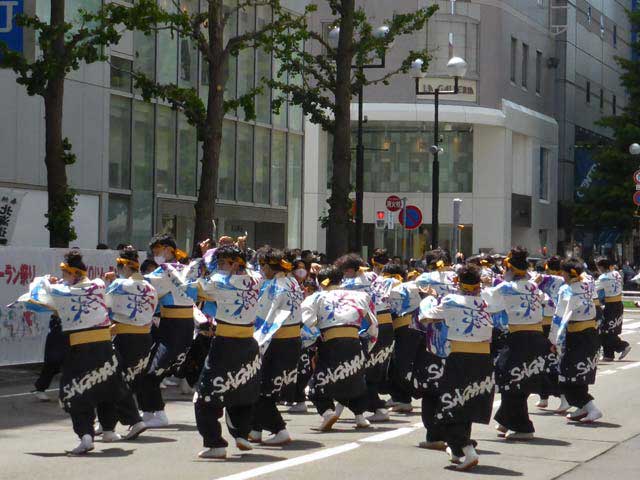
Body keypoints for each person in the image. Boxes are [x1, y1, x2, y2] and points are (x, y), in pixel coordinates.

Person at [13, 250, 132, 455]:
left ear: (74, 274)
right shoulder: (98, 285)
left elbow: (37, 293)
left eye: (66, 273)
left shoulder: (61, 292)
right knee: (105, 385)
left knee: (74, 390)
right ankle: (108, 429)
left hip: (80, 349)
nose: (63, 277)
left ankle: (86, 435)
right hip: (104, 346)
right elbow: (105, 286)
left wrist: (46, 281)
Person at [418, 264, 494, 471]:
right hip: (484, 358)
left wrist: (428, 298)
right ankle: (457, 450)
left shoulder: (451, 300)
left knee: (451, 403)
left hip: (460, 357)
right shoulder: (487, 300)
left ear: (458, 284)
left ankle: (467, 449)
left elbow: (425, 317)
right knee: (467, 403)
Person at [194, 245, 263, 459]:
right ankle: (241, 434)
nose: (220, 266)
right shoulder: (256, 278)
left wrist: (204, 258)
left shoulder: (221, 282)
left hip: (225, 343)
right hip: (249, 343)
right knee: (241, 390)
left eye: (223, 262)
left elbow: (197, 288)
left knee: (205, 395)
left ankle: (215, 443)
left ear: (234, 264)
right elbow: (250, 267)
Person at [484, 247, 550, 440]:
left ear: (510, 270)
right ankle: (506, 420)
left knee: (509, 378)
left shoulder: (506, 288)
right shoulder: (533, 286)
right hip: (537, 337)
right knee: (519, 379)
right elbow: (548, 302)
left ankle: (523, 427)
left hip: (519, 338)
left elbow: (487, 305)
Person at [301, 266, 377, 431]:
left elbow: (308, 323)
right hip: (354, 341)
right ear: (341, 280)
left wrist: (312, 345)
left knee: (319, 381)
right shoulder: (360, 296)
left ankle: (328, 412)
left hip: (330, 342)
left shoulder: (315, 297)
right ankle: (360, 416)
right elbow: (372, 323)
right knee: (353, 377)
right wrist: (368, 344)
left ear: (320, 282)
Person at [140, 234, 199, 428]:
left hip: (177, 327)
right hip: (170, 325)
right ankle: (149, 411)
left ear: (168, 250)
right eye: (154, 252)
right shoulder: (184, 269)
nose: (156, 255)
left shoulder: (167, 270)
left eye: (158, 251)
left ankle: (158, 414)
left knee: (152, 374)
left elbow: (144, 286)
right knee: (145, 370)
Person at [102, 246, 159, 441]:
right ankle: (106, 424)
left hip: (125, 337)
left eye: (119, 266)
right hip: (145, 338)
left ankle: (133, 420)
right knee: (127, 381)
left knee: (115, 380)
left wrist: (109, 283)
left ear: (125, 266)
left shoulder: (119, 285)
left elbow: (105, 304)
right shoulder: (150, 287)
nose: (117, 270)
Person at [249, 247, 304, 446]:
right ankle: (255, 430)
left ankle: (279, 429)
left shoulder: (275, 286)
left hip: (276, 341)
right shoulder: (292, 282)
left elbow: (263, 317)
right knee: (267, 387)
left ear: (267, 265)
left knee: (261, 389)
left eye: (262, 265)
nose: (261, 270)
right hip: (291, 340)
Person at [337, 253, 392, 422]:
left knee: (360, 371)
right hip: (386, 326)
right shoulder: (376, 276)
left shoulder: (348, 284)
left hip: (368, 329)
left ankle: (377, 407)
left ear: (350, 270)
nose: (344, 274)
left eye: (345, 271)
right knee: (371, 371)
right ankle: (345, 409)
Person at [551, 258, 603, 423]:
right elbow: (598, 308)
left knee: (567, 377)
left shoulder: (566, 290)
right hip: (591, 333)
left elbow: (558, 317)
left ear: (566, 273)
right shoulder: (588, 284)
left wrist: (552, 340)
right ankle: (582, 408)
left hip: (577, 336)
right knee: (580, 374)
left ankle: (591, 408)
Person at [595, 257, 631, 361]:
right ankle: (608, 355)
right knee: (611, 330)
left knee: (605, 330)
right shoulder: (617, 274)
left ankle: (623, 346)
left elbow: (594, 288)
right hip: (618, 303)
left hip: (610, 305)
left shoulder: (603, 277)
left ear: (601, 267)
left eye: (598, 267)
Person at [31, 313, 67, 401]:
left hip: (63, 338)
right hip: (57, 340)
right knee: (52, 365)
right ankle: (40, 389)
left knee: (58, 367)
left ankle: (40, 389)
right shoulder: (56, 316)